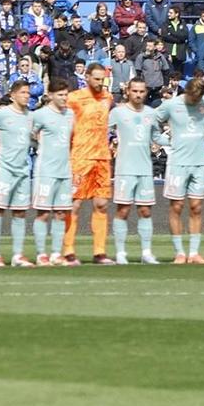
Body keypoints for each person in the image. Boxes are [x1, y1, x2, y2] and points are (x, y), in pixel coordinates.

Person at [158, 73, 204, 263]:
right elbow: (150, 120)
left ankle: (194, 253)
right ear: (188, 92)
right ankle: (179, 252)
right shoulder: (172, 105)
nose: (195, 101)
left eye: (198, 98)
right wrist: (162, 140)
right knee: (177, 206)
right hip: (177, 163)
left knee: (196, 207)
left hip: (199, 163)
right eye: (193, 97)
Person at [0, 76, 37, 267]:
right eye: (23, 92)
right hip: (3, 167)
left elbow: (31, 138)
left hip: (22, 169)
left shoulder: (30, 116)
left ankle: (17, 255)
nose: (26, 96)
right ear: (13, 95)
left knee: (20, 212)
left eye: (28, 93)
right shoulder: (2, 114)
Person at [65, 62, 115, 263]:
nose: (99, 83)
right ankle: (68, 251)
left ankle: (99, 252)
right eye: (96, 78)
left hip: (102, 157)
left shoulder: (107, 97)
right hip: (80, 157)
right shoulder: (74, 98)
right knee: (74, 205)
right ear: (86, 77)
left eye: (102, 79)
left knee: (102, 204)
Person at [108, 78, 161, 265]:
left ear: (146, 93)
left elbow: (156, 136)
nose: (138, 94)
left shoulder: (151, 113)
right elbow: (102, 132)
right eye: (135, 91)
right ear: (128, 92)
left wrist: (175, 141)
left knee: (145, 211)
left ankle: (146, 252)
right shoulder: (118, 113)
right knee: (122, 210)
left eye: (141, 91)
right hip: (125, 169)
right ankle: (121, 253)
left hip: (145, 169)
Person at [29, 83, 77, 267]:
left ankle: (56, 254)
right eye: (60, 95)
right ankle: (41, 254)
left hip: (64, 170)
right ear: (50, 95)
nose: (64, 98)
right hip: (45, 171)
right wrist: (38, 147)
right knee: (42, 213)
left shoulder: (70, 114)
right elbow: (28, 134)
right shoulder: (39, 115)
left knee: (60, 213)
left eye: (66, 94)